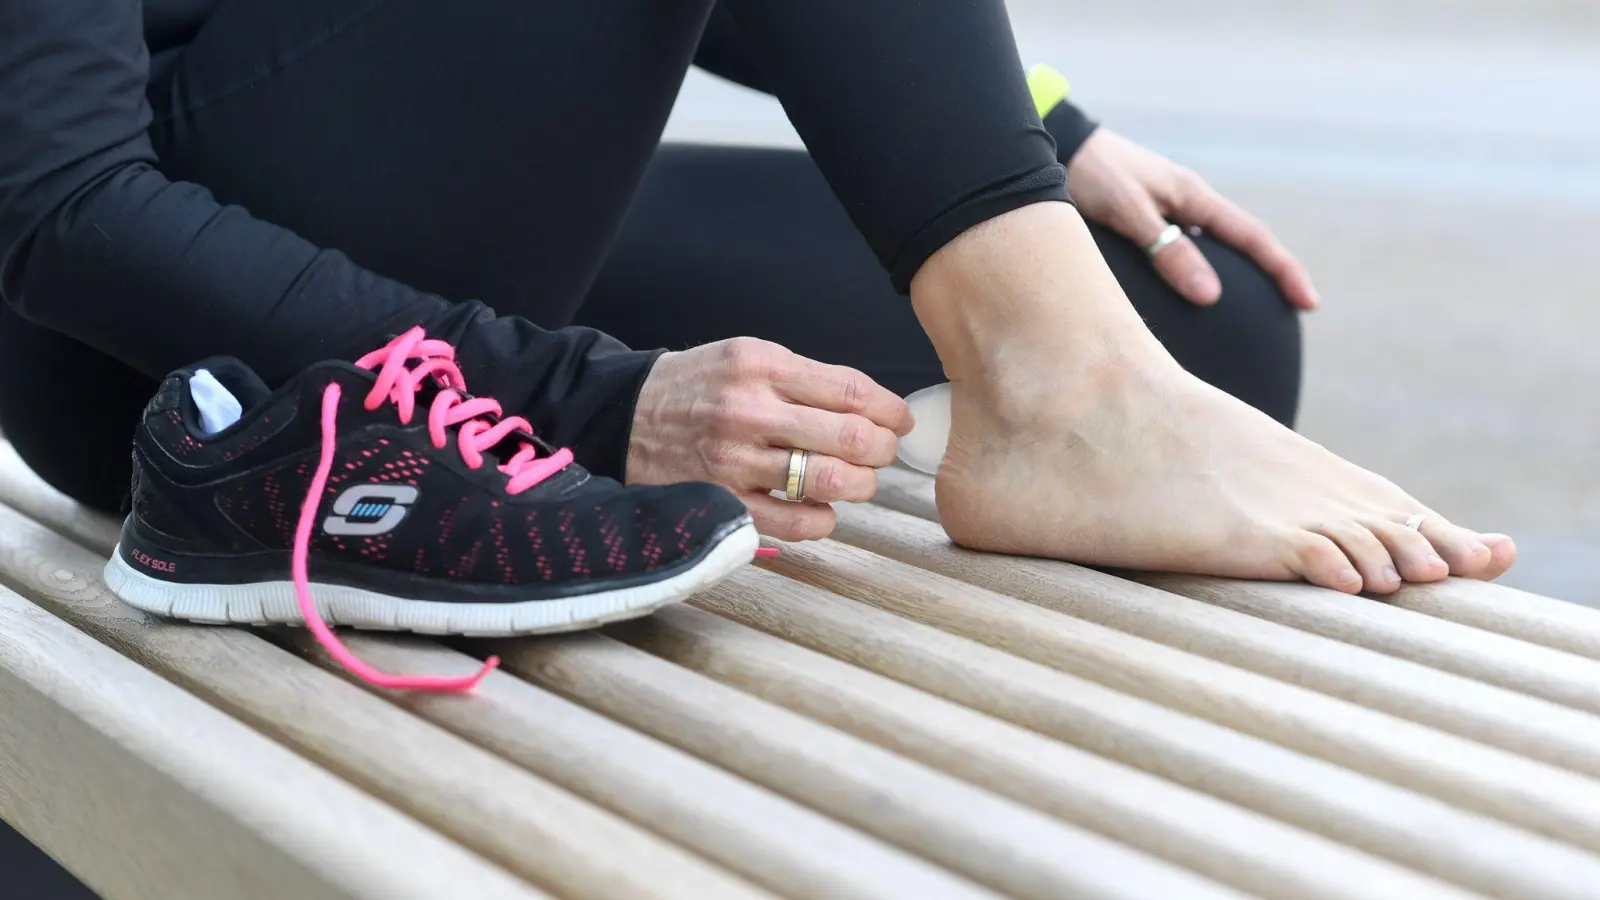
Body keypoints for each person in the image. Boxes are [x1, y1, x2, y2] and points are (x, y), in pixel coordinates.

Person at [0, 0, 1515, 601]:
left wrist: (1036, 141)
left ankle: (1081, 371)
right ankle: (1064, 400)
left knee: (1203, 308)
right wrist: (591, 397)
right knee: (1067, 331)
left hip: (389, 205)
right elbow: (53, 202)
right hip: (154, 346)